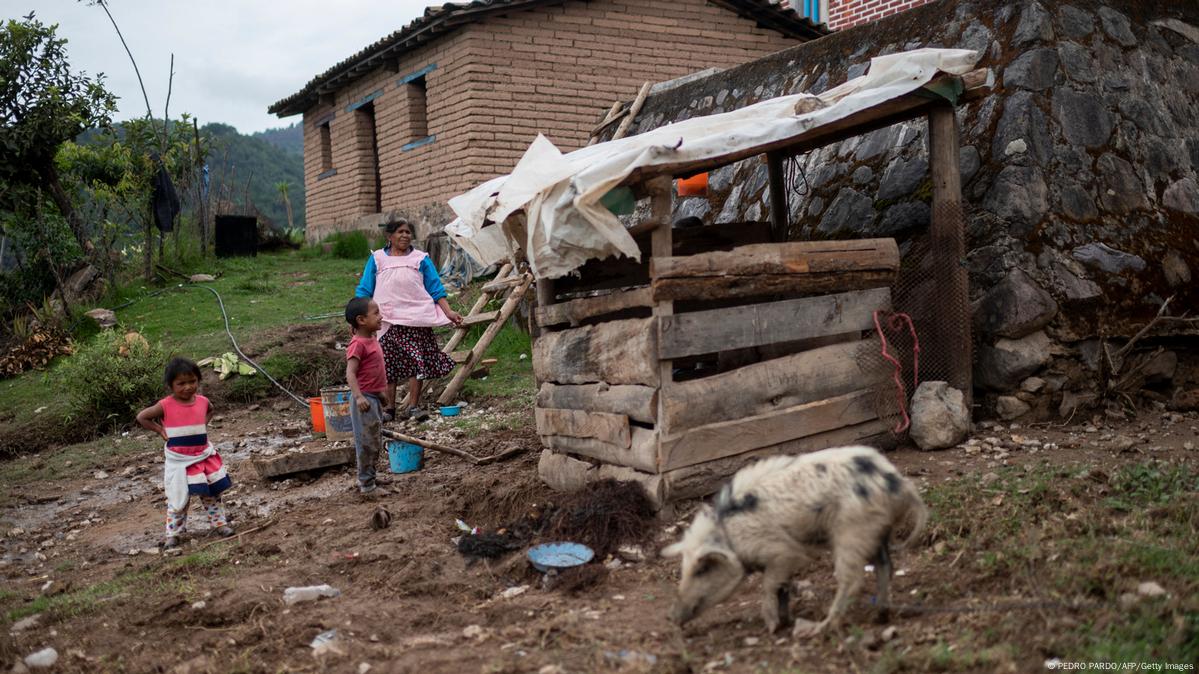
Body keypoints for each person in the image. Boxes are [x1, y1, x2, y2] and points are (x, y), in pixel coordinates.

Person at [355, 218, 463, 420]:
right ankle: (389, 409)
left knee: (417, 362)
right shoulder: (378, 259)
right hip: (386, 320)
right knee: (388, 365)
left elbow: (435, 288)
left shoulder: (420, 259)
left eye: (408, 232)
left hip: (416, 318)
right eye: (400, 232)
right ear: (389, 236)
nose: (405, 235)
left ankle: (413, 406)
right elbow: (364, 289)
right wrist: (357, 318)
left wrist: (448, 312)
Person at [136, 357, 234, 548]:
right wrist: (160, 430)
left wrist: (202, 425)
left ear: (198, 380)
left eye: (192, 382)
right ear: (171, 385)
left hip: (203, 456)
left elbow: (210, 410)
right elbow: (142, 417)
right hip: (180, 461)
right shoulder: (165, 405)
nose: (188, 387)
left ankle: (220, 524)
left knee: (211, 494)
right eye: (181, 383)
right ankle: (173, 533)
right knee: (179, 497)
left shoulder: (203, 402)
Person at [344, 297, 391, 496]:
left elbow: (372, 371)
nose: (381, 317)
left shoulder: (372, 339)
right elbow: (351, 373)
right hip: (364, 402)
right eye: (376, 313)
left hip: (373, 398)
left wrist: (380, 393)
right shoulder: (358, 344)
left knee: (374, 439)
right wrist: (359, 397)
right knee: (366, 442)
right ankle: (367, 485)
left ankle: (371, 475)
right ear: (361, 320)